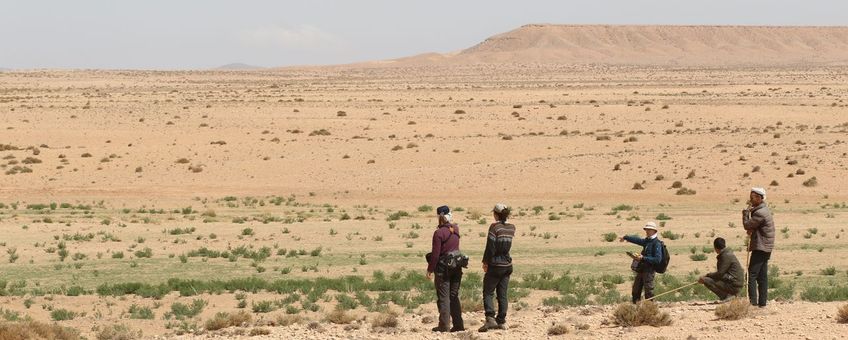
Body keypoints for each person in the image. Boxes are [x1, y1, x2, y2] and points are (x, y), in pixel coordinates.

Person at [478, 203, 516, 332]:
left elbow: (490, 247)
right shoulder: (511, 227)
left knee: (488, 292)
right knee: (502, 294)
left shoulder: (494, 227)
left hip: (495, 264)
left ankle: (490, 319)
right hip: (507, 264)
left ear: (496, 214)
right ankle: (501, 320)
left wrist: (485, 262)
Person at [427, 205, 464, 332]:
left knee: (444, 297)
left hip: (443, 269)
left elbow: (436, 254)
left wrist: (430, 270)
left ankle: (444, 325)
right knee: (454, 296)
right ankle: (459, 325)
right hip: (457, 266)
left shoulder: (438, 233)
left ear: (438, 216)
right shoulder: (456, 228)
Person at [743, 187, 775, 308]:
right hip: (766, 246)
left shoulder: (760, 213)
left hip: (761, 247)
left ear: (759, 198)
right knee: (762, 276)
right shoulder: (763, 210)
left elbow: (747, 225)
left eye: (753, 197)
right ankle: (762, 303)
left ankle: (753, 303)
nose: (751, 200)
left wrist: (745, 214)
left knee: (751, 275)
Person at [620, 222, 663, 303]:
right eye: (646, 229)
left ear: (654, 231)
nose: (646, 231)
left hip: (649, 270)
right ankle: (636, 308)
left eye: (648, 230)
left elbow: (657, 260)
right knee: (636, 290)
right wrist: (626, 237)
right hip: (641, 269)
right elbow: (638, 240)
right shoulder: (647, 241)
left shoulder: (656, 243)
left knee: (649, 291)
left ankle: (650, 309)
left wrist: (643, 258)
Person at [698, 237, 745, 302]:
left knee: (706, 280)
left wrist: (707, 276)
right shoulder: (728, 254)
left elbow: (720, 274)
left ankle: (726, 296)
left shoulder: (725, 256)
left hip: (734, 285)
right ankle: (729, 295)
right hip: (735, 283)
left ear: (715, 248)